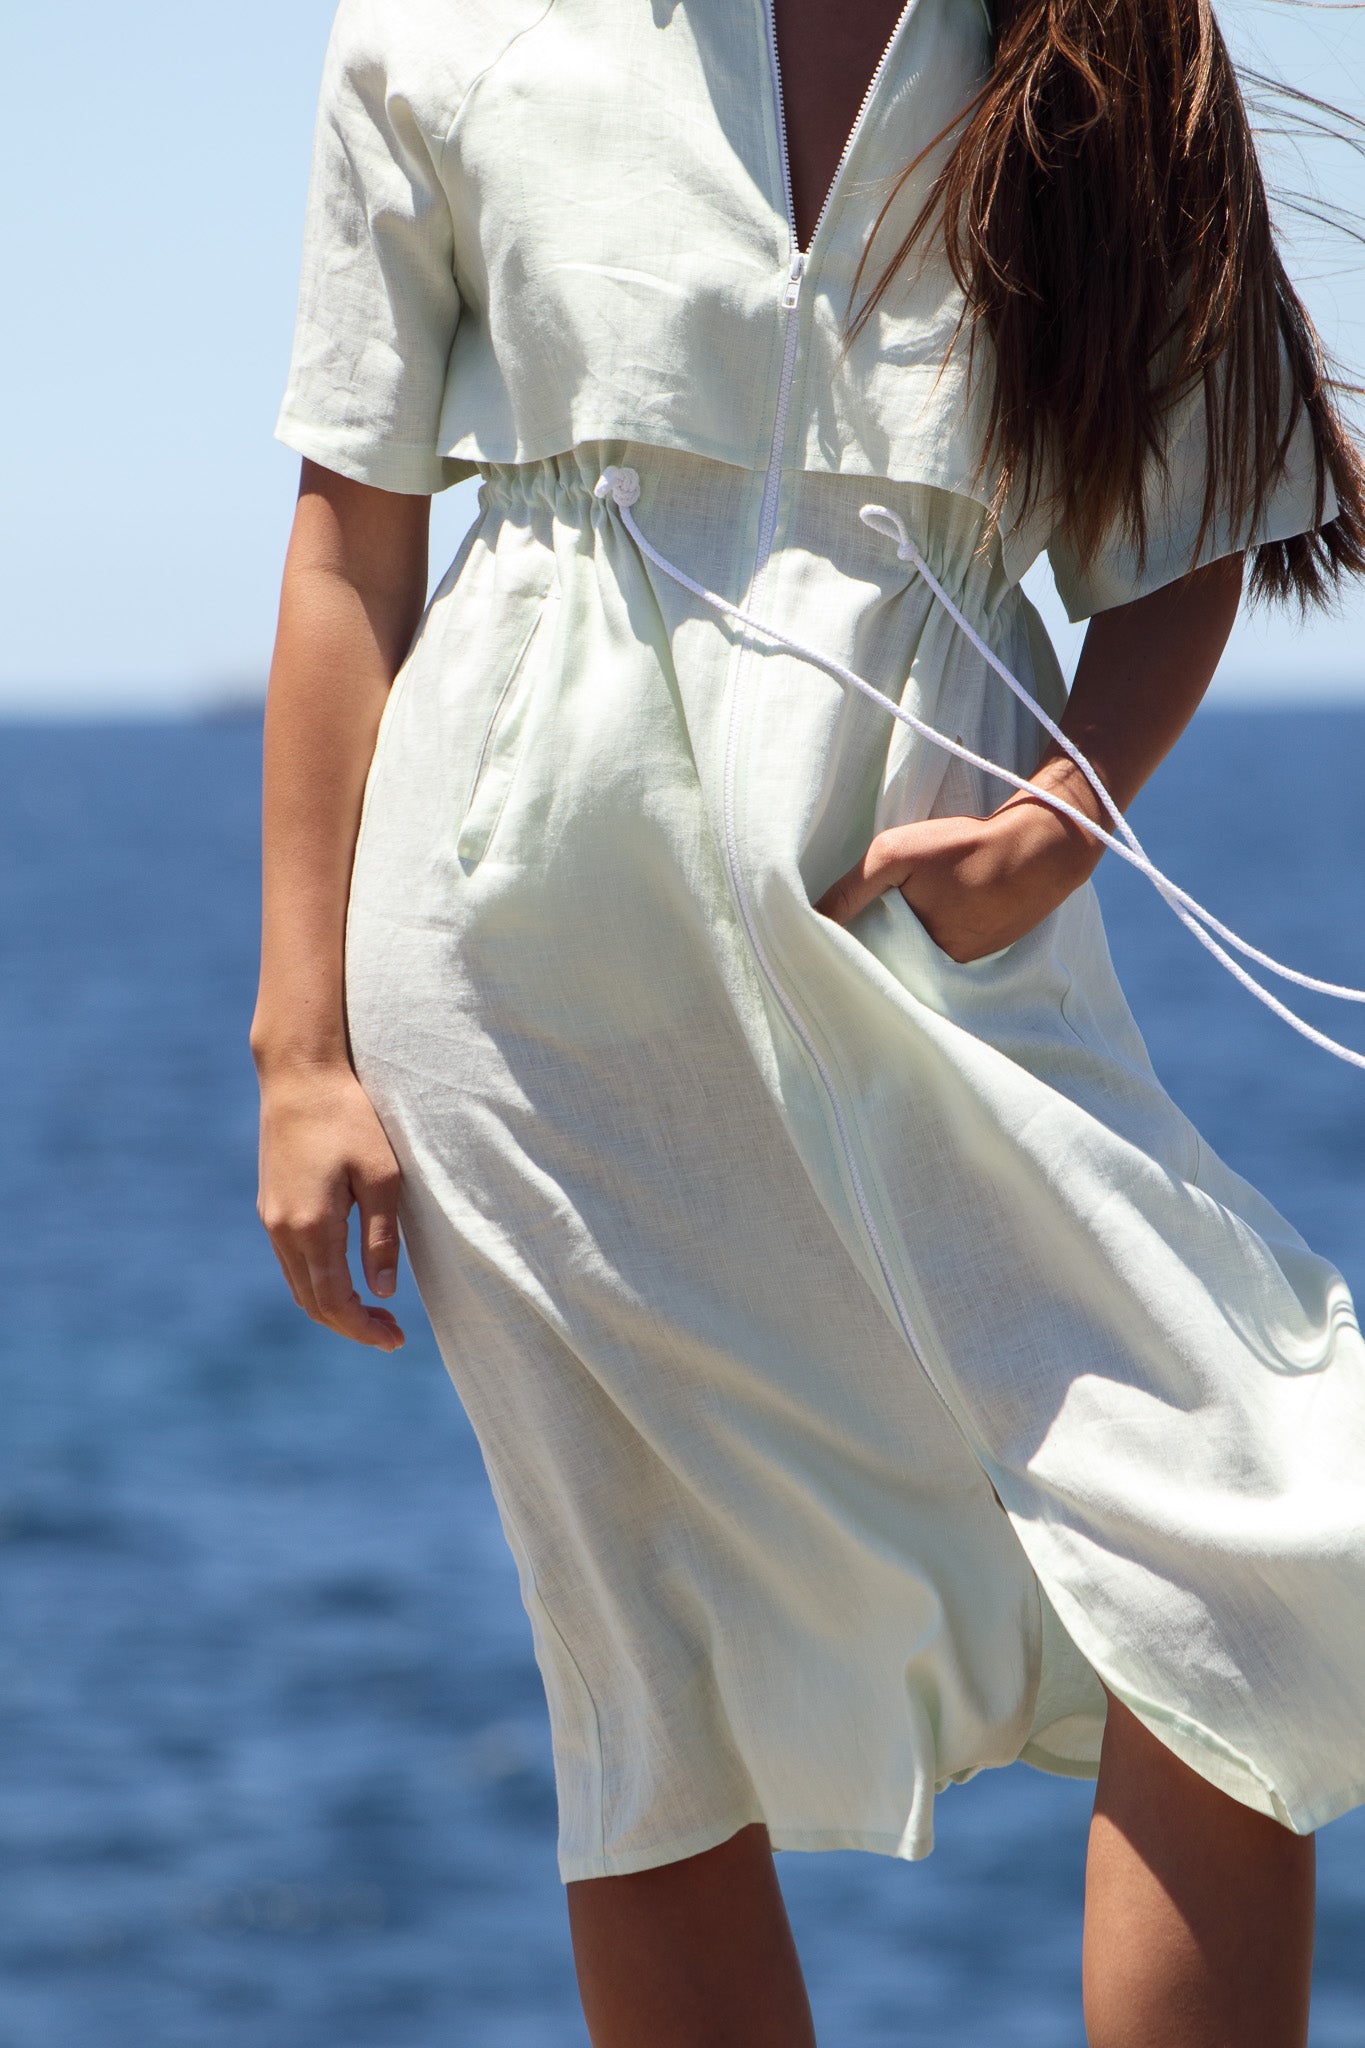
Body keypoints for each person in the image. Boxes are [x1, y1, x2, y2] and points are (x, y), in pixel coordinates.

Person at [252, 0, 1365, 2039]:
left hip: (924, 934)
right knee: (649, 1671)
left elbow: (1187, 532)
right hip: (522, 955)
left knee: (1268, 1533)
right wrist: (301, 1053)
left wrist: (1056, 820)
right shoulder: (440, 23)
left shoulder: (1108, 38)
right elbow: (350, 546)